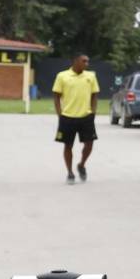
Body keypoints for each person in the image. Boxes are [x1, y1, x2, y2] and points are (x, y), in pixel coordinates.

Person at [52, 53, 100, 184]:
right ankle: (70, 173)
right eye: (84, 61)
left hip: (86, 117)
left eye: (87, 61)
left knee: (89, 144)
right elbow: (56, 96)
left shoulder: (91, 76)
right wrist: (59, 114)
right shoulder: (62, 76)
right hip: (67, 117)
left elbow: (94, 95)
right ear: (75, 61)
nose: (87, 64)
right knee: (68, 145)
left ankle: (81, 164)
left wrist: (93, 112)